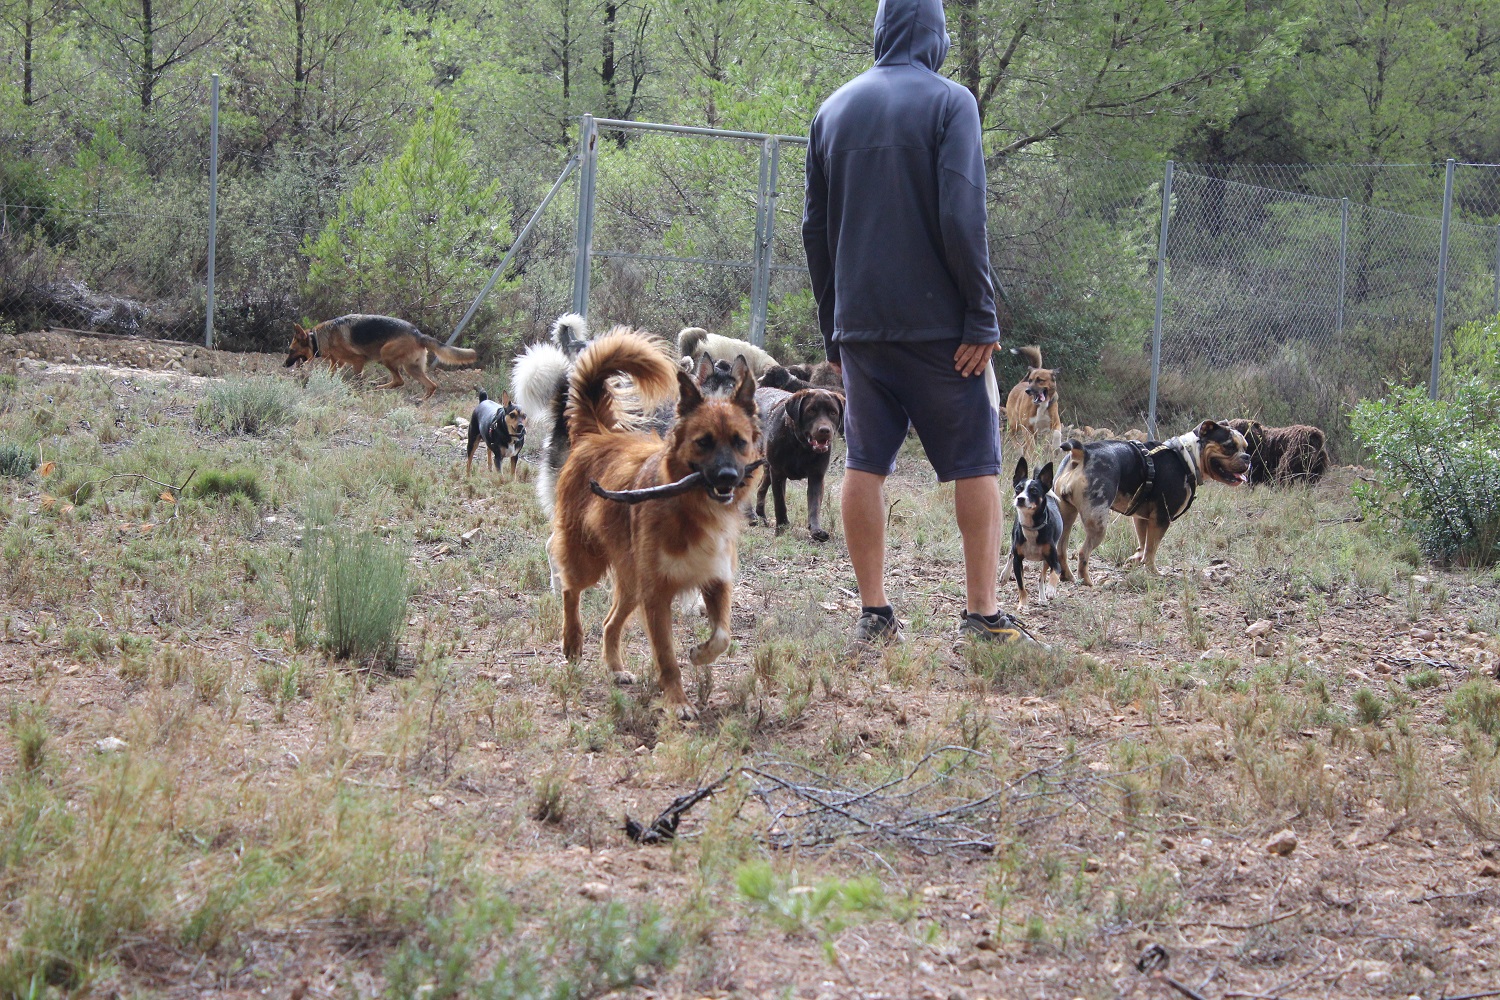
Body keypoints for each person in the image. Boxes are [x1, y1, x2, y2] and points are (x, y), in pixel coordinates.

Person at [802, 0, 1035, 652]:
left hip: (860, 327)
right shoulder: (951, 102)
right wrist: (980, 313)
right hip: (943, 332)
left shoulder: (831, 110)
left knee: (864, 463)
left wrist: (834, 330)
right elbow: (962, 213)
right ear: (936, 34)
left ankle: (874, 615)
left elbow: (814, 232)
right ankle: (981, 617)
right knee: (976, 464)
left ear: (880, 29)